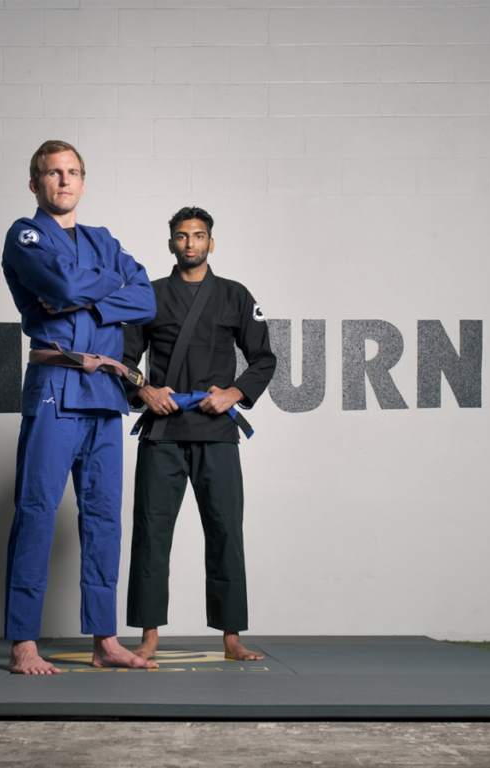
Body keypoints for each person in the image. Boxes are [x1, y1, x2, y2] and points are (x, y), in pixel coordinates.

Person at [1, 140, 158, 674]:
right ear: (35, 184)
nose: (63, 181)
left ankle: (105, 640)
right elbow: (65, 282)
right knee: (37, 512)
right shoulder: (25, 234)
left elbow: (146, 298)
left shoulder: (102, 238)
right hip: (55, 385)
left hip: (107, 395)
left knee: (103, 519)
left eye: (72, 173)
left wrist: (81, 294)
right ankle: (23, 642)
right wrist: (102, 287)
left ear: (84, 182)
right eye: (52, 173)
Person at [122, 206, 277, 662]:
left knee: (226, 530)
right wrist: (145, 391)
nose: (191, 243)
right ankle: (149, 635)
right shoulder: (148, 296)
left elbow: (263, 358)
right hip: (163, 433)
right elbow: (125, 362)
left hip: (217, 433)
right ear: (170, 242)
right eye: (182, 236)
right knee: (151, 532)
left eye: (199, 235)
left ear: (212, 243)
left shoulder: (234, 295)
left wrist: (234, 393)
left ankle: (231, 637)